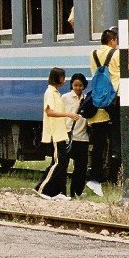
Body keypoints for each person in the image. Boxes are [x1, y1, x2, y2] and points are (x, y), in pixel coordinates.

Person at [86, 28, 129, 197]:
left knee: (101, 139)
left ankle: (99, 176)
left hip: (99, 98)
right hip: (116, 98)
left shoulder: (93, 54)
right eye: (116, 41)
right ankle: (119, 173)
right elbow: (127, 71)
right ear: (112, 41)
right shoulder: (117, 53)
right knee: (127, 133)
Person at [34, 68, 79, 200]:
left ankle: (59, 192)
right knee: (58, 163)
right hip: (54, 133)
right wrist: (68, 114)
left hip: (60, 133)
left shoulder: (56, 93)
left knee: (62, 162)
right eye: (63, 77)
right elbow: (49, 112)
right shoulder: (50, 93)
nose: (64, 80)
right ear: (57, 78)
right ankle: (41, 188)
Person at [62, 73, 90, 198]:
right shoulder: (65, 98)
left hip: (82, 137)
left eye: (80, 85)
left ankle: (76, 192)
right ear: (71, 85)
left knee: (81, 168)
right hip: (68, 137)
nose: (78, 88)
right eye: (75, 85)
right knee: (62, 166)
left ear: (84, 86)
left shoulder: (87, 99)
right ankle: (61, 191)